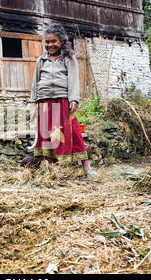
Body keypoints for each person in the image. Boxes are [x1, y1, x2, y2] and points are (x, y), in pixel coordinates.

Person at [27, 23, 98, 179]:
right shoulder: (41, 60)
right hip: (44, 103)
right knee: (47, 135)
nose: (50, 45)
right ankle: (52, 169)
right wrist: (33, 103)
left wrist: (73, 99)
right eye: (47, 42)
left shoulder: (68, 58)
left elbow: (73, 79)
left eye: (54, 41)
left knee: (73, 132)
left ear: (61, 41)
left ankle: (87, 167)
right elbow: (35, 83)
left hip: (62, 101)